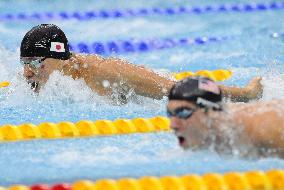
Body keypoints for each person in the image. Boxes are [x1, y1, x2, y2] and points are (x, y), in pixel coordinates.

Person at [21, 24, 262, 104]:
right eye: (25, 63)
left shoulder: (104, 73)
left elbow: (177, 90)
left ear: (60, 59)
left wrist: (246, 94)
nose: (26, 72)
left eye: (35, 62)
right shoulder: (47, 83)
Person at [167, 76, 284, 157]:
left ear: (210, 112)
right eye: (170, 114)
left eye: (182, 113)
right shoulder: (211, 134)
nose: (173, 125)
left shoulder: (267, 130)